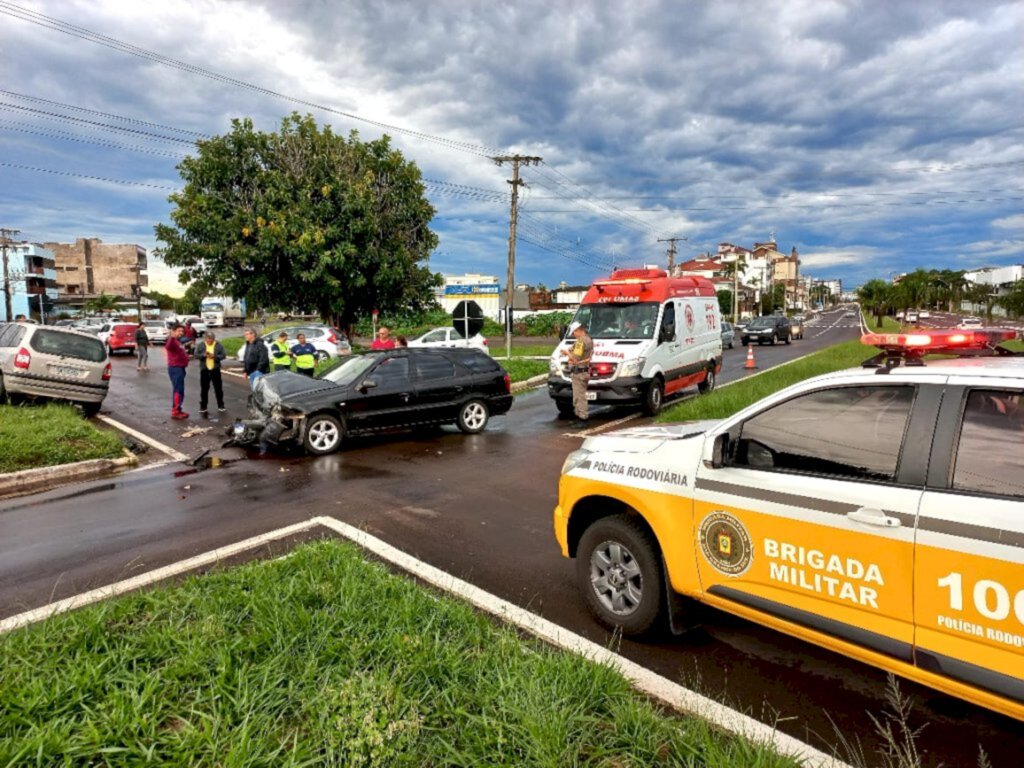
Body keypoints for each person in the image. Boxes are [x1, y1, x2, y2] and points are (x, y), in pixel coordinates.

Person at [566, 321, 593, 428]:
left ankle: (583, 419)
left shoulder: (581, 342)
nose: (573, 335)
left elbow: (575, 358)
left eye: (574, 332)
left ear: (578, 330)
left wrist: (566, 353)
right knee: (577, 396)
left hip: (579, 373)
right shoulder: (589, 339)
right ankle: (578, 417)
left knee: (579, 397)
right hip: (584, 371)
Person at [195, 330, 226, 414]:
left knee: (218, 388)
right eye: (208, 339)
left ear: (214, 339)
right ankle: (203, 406)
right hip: (204, 370)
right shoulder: (201, 345)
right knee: (204, 389)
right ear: (205, 339)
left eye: (211, 339)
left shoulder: (218, 345)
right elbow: (196, 355)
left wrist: (214, 356)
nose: (209, 341)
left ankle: (221, 405)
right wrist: (203, 355)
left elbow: (223, 355)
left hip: (215, 369)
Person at [165, 323, 190, 420]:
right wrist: (171, 336)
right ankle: (175, 411)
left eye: (182, 331)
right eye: (179, 331)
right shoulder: (172, 341)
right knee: (178, 390)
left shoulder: (178, 342)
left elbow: (179, 352)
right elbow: (168, 346)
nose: (181, 333)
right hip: (176, 369)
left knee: (180, 390)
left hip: (180, 368)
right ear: (174, 331)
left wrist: (186, 357)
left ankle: (178, 409)